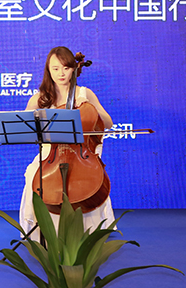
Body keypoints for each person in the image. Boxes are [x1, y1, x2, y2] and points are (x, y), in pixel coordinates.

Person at [19, 46, 115, 240]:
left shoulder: (84, 93)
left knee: (82, 178)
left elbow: (108, 123)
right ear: (48, 70)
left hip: (80, 154)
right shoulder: (40, 98)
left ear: (73, 69)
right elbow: (25, 128)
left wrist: (90, 108)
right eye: (55, 68)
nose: (61, 73)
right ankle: (45, 232)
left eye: (66, 68)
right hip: (50, 155)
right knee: (33, 174)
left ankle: (85, 233)